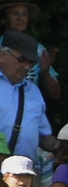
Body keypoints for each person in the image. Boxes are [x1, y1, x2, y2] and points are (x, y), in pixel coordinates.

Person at [0, 29, 53, 163]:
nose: (27, 67)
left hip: (24, 175)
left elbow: (43, 136)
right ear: (2, 55)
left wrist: (63, 147)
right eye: (22, 59)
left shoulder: (33, 91)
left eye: (31, 62)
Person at [0, 0, 59, 104]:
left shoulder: (39, 50)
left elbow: (55, 95)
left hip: (28, 113)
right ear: (3, 18)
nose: (20, 18)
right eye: (15, 14)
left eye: (24, 14)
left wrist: (45, 72)